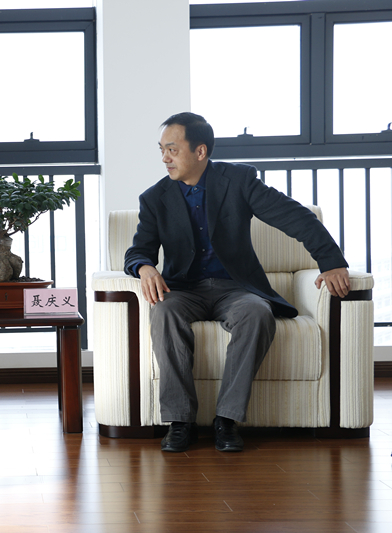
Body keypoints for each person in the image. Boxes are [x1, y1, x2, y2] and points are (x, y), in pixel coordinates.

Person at [124, 112, 350, 453]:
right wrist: (144, 267)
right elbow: (138, 250)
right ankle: (180, 421)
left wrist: (331, 262)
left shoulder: (239, 180)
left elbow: (294, 215)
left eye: (172, 149)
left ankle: (226, 419)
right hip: (182, 289)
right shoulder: (154, 198)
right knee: (163, 312)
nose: (165, 158)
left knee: (257, 312)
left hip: (236, 288)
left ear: (200, 151)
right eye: (162, 150)